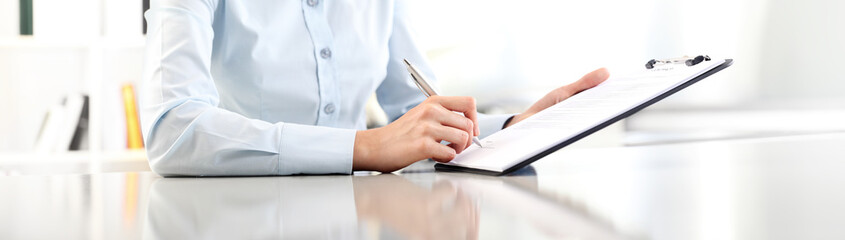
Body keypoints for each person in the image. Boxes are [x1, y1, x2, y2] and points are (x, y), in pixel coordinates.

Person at [141, 0, 609, 176]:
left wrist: (512, 127)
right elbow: (171, 128)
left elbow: (412, 112)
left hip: (358, 216)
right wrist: (364, 147)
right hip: (242, 216)